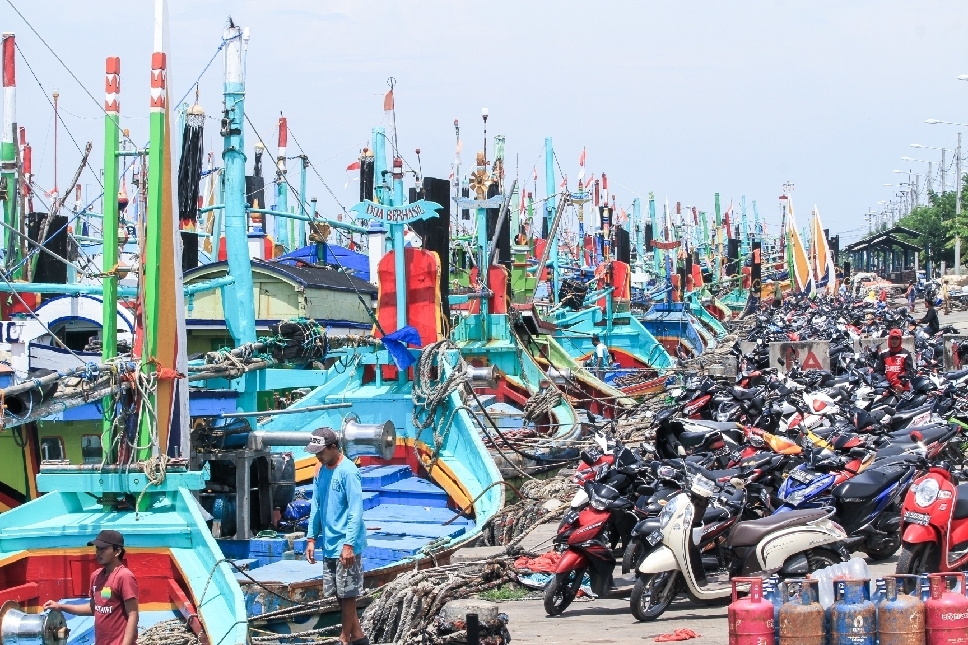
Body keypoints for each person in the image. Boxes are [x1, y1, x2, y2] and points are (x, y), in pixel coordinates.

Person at [305, 428, 368, 645]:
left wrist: (349, 544)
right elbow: (316, 504)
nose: (317, 456)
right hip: (330, 543)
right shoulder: (320, 470)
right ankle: (358, 636)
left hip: (346, 543)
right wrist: (311, 538)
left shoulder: (348, 472)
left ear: (333, 448)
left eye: (320, 451)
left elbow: (356, 510)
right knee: (339, 594)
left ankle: (344, 638)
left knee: (348, 593)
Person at [45, 530, 139, 645]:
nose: (98, 553)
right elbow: (94, 608)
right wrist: (60, 607)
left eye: (103, 549)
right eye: (97, 548)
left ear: (117, 551)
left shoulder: (124, 577)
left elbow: (133, 615)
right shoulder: (96, 576)